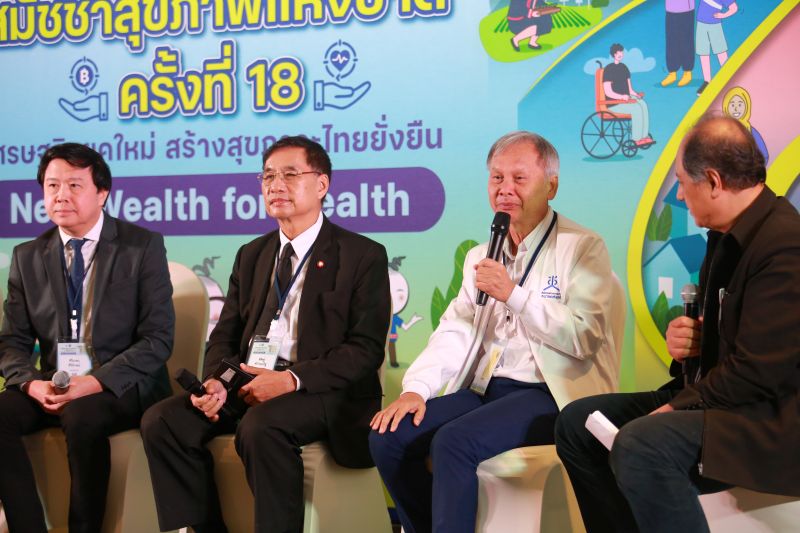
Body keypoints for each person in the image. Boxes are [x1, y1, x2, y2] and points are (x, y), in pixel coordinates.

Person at [555, 115, 800, 533]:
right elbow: (730, 343)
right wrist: (691, 343)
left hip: (768, 420)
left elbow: (757, 373)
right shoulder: (724, 236)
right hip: (721, 400)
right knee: (578, 424)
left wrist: (674, 408)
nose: (682, 196)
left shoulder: (784, 246)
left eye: (683, 183)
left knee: (642, 443)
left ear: (714, 181)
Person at [369, 131, 619, 533]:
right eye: (497, 178)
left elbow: (585, 336)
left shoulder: (582, 247)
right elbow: (455, 328)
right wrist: (417, 389)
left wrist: (514, 295)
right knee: (389, 436)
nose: (505, 189)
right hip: (486, 390)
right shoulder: (482, 254)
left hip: (551, 395)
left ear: (551, 186)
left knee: (453, 442)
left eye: (519, 179)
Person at [141, 136, 391, 533]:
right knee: (163, 421)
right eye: (268, 176)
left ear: (322, 185)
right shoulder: (252, 254)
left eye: (290, 175)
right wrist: (218, 383)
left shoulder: (362, 255)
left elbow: (365, 350)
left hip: (323, 391)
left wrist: (290, 380)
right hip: (251, 381)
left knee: (261, 426)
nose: (276, 185)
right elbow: (225, 336)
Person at [0, 143, 175, 533]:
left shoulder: (141, 246)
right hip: (55, 382)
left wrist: (94, 382)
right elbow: (11, 341)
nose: (60, 195)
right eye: (52, 186)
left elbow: (158, 339)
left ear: (102, 193)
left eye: (74, 185)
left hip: (122, 385)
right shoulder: (28, 256)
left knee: (81, 415)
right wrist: (31, 384)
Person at [603, 43, 655, 147]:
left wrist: (636, 95)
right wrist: (621, 97)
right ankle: (636, 139)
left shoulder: (624, 68)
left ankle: (644, 136)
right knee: (636, 109)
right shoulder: (608, 69)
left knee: (643, 104)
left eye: (621, 52)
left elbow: (630, 89)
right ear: (613, 54)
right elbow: (608, 92)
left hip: (627, 99)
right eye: (618, 53)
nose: (620, 54)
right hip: (614, 103)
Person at [695, 0, 738, 95]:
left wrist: (723, 15)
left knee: (721, 52)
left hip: (715, 25)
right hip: (701, 23)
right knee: (703, 53)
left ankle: (728, 77)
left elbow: (734, 7)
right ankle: (707, 81)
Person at [661, 0, 695, 88]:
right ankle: (672, 73)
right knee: (671, 41)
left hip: (686, 10)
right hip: (670, 9)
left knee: (686, 40)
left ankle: (687, 72)